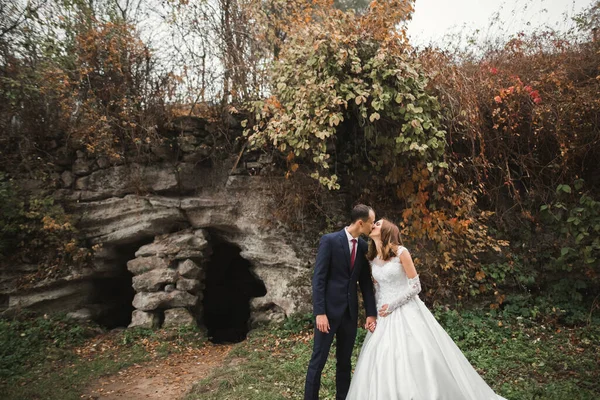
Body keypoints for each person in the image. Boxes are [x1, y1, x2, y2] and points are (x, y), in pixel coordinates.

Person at [346, 218, 507, 400]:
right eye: (374, 223)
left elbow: (416, 286)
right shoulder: (373, 258)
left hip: (404, 309)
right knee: (381, 356)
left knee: (417, 353)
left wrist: (392, 305)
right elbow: (378, 289)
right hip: (383, 316)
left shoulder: (401, 253)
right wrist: (373, 315)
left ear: (387, 231)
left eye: (378, 224)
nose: (373, 225)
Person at [304, 204, 378, 400]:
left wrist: (371, 312)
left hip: (349, 315)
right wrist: (320, 312)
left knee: (344, 362)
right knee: (317, 361)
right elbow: (318, 279)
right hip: (327, 314)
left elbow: (365, 284)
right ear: (360, 223)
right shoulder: (329, 241)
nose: (373, 227)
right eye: (371, 223)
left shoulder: (363, 247)